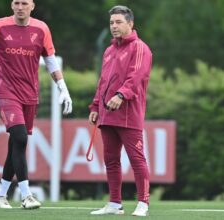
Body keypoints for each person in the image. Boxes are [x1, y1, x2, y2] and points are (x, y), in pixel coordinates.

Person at [0, 0, 72, 210]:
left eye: (24, 3)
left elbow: (50, 60)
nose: (20, 6)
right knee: (20, 137)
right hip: (6, 92)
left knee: (16, 144)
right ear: (11, 5)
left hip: (30, 94)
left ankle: (1, 196)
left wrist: (63, 88)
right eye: (16, 2)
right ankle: (26, 195)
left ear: (33, 6)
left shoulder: (42, 28)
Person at [88, 5, 152, 216]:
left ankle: (143, 203)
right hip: (107, 115)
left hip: (128, 114)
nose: (114, 26)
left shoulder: (140, 48)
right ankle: (115, 204)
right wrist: (96, 106)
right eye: (111, 23)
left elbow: (137, 77)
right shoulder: (108, 51)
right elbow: (103, 82)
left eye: (118, 22)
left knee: (136, 159)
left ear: (130, 24)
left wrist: (121, 95)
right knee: (111, 160)